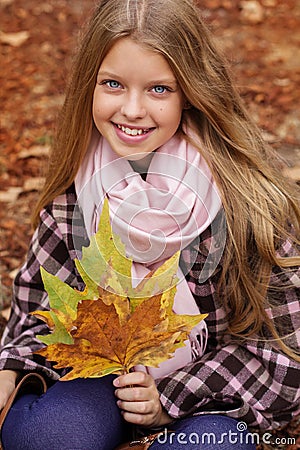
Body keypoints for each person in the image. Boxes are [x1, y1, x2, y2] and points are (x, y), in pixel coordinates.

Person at [0, 0, 299, 449]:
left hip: (213, 393)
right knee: (49, 437)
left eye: (159, 89)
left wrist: (171, 398)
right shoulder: (78, 194)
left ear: (192, 93)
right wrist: (12, 368)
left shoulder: (243, 203)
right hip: (108, 377)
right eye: (113, 84)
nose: (132, 110)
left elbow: (285, 355)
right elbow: (41, 312)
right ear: (89, 87)